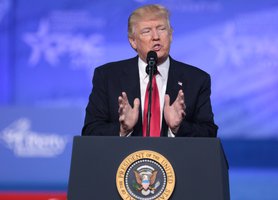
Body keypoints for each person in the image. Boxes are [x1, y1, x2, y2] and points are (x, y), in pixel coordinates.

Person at [82, 4, 218, 137]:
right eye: (146, 31)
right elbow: (91, 131)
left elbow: (209, 132)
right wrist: (123, 129)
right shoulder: (107, 76)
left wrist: (178, 128)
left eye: (161, 29)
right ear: (133, 41)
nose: (156, 37)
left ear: (171, 35)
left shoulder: (196, 79)